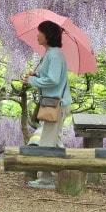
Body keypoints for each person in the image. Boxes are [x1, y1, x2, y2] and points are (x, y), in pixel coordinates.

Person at [23, 20, 71, 189]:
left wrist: (33, 80)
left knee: (47, 140)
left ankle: (46, 179)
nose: (37, 35)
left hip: (55, 103)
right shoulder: (51, 54)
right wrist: (35, 74)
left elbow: (53, 79)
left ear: (47, 35)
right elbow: (49, 76)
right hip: (55, 103)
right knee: (55, 140)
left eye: (40, 32)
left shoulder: (55, 55)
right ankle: (66, 172)